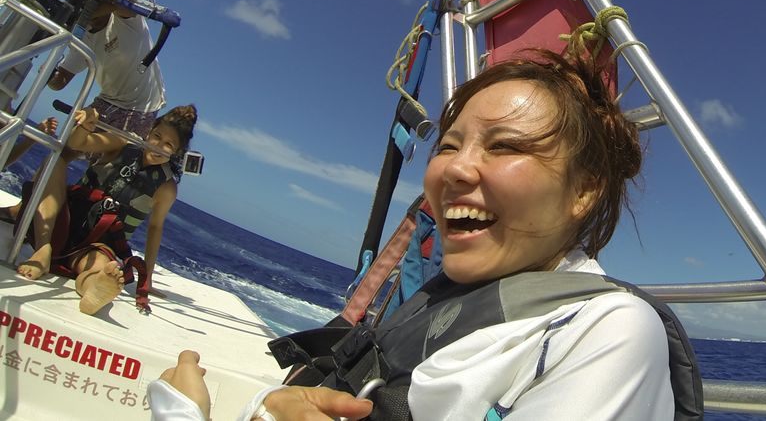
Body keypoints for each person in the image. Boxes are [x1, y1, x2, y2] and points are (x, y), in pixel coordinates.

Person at [148, 51, 701, 421]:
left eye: (505, 146)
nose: (454, 168)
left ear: (584, 189)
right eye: (449, 145)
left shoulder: (607, 332)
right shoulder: (444, 296)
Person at [13, 103, 197, 315]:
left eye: (168, 145)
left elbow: (155, 228)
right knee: (54, 161)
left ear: (177, 152)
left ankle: (94, 288)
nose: (159, 145)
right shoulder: (121, 142)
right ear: (149, 132)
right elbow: (77, 143)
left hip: (97, 244)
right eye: (156, 136)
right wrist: (86, 125)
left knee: (100, 266)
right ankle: (42, 249)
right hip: (62, 221)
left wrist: (148, 278)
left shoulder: (166, 188)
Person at [48, 0, 166, 148]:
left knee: (113, 157)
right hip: (107, 100)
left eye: (95, 2)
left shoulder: (128, 19)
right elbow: (59, 82)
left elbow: (121, 5)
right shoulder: (84, 39)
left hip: (142, 107)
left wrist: (87, 12)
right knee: (68, 146)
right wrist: (48, 73)